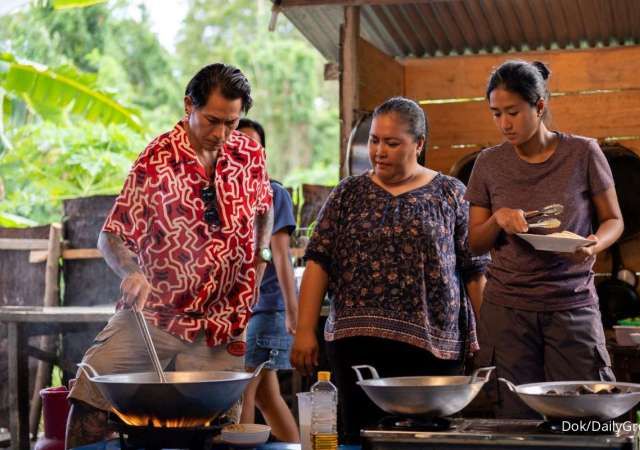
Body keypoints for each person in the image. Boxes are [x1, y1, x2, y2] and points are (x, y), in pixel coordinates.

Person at [65, 63, 274, 447]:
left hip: (224, 321)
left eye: (231, 122)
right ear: (187, 106)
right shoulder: (156, 160)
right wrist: (132, 271)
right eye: (212, 121)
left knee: (216, 432)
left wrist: (260, 262)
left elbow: (265, 207)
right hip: (155, 319)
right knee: (92, 397)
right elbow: (110, 235)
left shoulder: (248, 153)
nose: (221, 134)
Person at [290, 97, 490, 443]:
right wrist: (305, 330)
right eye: (374, 140)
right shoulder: (348, 194)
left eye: (392, 143)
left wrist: (486, 338)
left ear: (419, 143)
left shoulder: (451, 194)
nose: (379, 151)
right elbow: (318, 261)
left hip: (431, 351)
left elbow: (474, 270)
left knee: (424, 440)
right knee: (359, 436)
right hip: (356, 345)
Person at [465, 60, 624, 418]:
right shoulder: (488, 164)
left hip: (571, 306)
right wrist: (497, 219)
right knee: (514, 420)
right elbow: (475, 242)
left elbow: (614, 219)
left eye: (513, 112)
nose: (504, 123)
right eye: (495, 114)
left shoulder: (583, 153)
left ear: (538, 106)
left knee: (583, 416)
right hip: (506, 312)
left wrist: (595, 243)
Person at [237, 118, 300, 443]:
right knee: (266, 397)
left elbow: (280, 256)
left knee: (243, 394)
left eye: (255, 146)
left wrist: (292, 312)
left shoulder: (273, 193)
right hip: (244, 313)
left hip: (264, 310)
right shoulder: (228, 195)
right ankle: (297, 447)